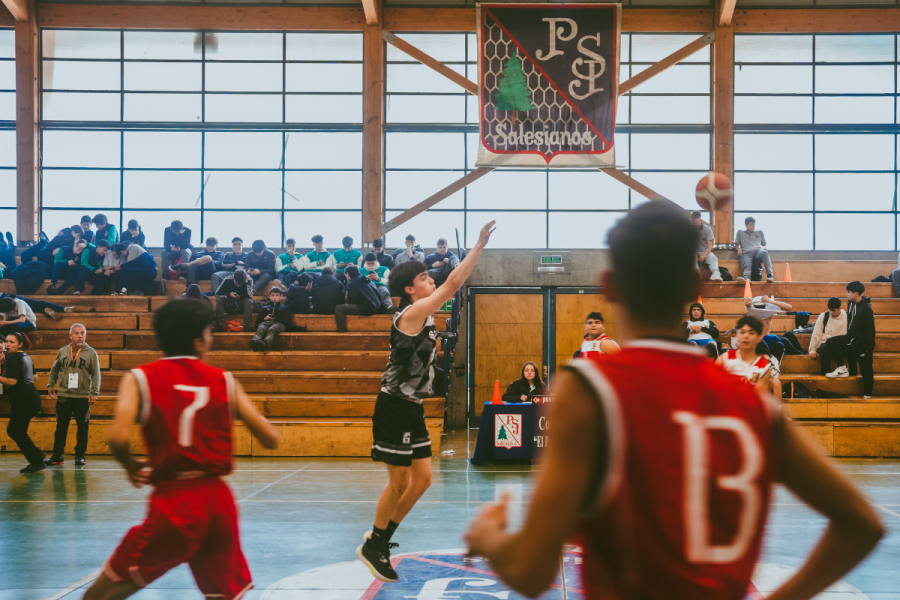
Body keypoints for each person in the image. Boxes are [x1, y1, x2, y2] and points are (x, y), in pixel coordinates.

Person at [463, 201, 884, 599]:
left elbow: (532, 573)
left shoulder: (590, 391)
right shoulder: (750, 402)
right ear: (694, 288)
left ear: (609, 286)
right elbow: (862, 525)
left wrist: (490, 538)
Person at [81, 299, 281, 600]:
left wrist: (131, 465)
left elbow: (118, 439)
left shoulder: (139, 378)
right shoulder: (224, 380)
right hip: (217, 503)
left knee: (99, 595)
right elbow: (270, 438)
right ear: (200, 340)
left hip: (173, 501)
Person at [356, 220, 495, 583]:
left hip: (411, 406)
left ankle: (379, 540)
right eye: (423, 278)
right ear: (409, 289)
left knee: (423, 480)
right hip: (394, 406)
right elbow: (453, 283)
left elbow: (445, 284)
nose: (429, 278)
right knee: (399, 481)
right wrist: (478, 245)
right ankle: (375, 543)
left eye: (428, 275)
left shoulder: (425, 312)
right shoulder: (411, 313)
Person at [44, 323, 100, 467]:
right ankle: (57, 456)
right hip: (64, 395)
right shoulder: (63, 351)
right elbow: (54, 369)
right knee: (61, 427)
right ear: (70, 336)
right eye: (76, 333)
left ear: (85, 336)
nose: (80, 336)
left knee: (82, 428)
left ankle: (80, 456)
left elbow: (96, 374)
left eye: (82, 333)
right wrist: (51, 385)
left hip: (82, 397)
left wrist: (94, 392)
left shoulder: (91, 353)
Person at [0, 332, 44, 473]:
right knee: (18, 431)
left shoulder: (14, 358)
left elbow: (11, 381)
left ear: (20, 344)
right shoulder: (24, 356)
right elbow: (35, 377)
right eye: (7, 341)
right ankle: (37, 455)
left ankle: (36, 461)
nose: (7, 344)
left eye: (12, 342)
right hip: (30, 397)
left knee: (15, 431)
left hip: (24, 399)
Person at [717, 315, 781, 397]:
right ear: (737, 336)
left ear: (759, 338)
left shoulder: (765, 367)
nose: (746, 336)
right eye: (742, 332)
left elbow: (759, 398)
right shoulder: (724, 359)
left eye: (751, 333)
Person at [833, 281, 876, 399]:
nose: (846, 294)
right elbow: (850, 319)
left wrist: (867, 348)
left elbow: (870, 330)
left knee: (866, 370)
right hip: (851, 338)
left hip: (862, 343)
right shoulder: (850, 302)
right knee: (830, 343)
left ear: (856, 293)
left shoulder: (866, 308)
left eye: (849, 292)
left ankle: (867, 395)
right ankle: (843, 368)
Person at [335, 265, 383, 332]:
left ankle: (342, 332)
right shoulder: (367, 280)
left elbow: (352, 302)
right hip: (378, 307)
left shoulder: (354, 283)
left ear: (348, 274)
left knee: (338, 308)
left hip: (368, 308)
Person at [809, 297, 849, 378]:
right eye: (829, 310)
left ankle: (843, 369)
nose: (831, 312)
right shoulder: (824, 316)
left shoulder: (847, 316)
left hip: (841, 344)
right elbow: (817, 333)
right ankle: (825, 374)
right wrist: (812, 349)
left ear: (840, 308)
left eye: (834, 310)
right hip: (827, 343)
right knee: (824, 348)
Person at [250, 287, 291, 352]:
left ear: (281, 296)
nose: (275, 297)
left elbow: (288, 323)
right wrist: (264, 319)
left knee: (272, 328)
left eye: (277, 295)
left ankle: (265, 344)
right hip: (265, 323)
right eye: (273, 295)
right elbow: (257, 324)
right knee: (261, 328)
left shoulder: (285, 308)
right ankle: (255, 342)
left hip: (279, 325)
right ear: (270, 296)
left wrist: (278, 320)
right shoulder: (264, 308)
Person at [735, 216, 774, 283]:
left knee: (765, 252)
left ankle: (770, 276)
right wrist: (738, 249)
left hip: (757, 251)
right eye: (751, 224)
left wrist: (762, 248)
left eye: (754, 224)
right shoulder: (740, 232)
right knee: (746, 262)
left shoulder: (759, 232)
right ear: (746, 225)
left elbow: (765, 246)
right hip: (746, 252)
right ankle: (747, 278)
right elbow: (736, 245)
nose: (753, 226)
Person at [690, 211, 722, 281]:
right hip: (693, 252)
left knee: (713, 258)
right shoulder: (690, 229)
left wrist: (703, 256)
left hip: (704, 251)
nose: (692, 222)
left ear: (699, 219)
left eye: (694, 220)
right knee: (691, 257)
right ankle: (697, 274)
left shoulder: (707, 229)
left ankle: (715, 274)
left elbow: (710, 246)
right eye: (691, 221)